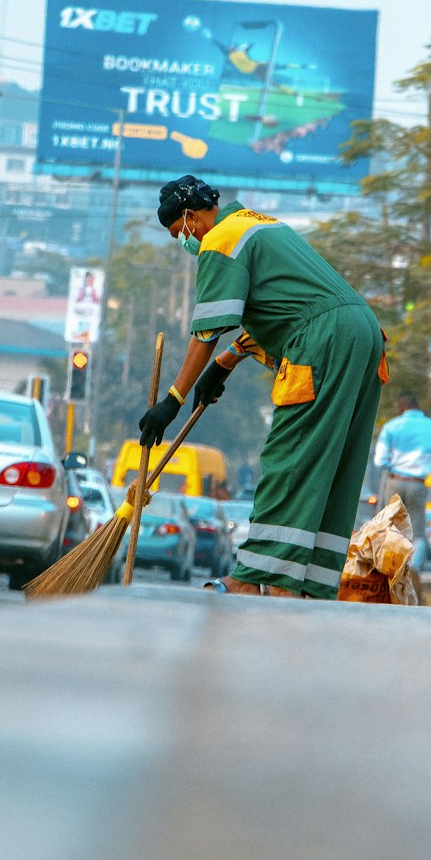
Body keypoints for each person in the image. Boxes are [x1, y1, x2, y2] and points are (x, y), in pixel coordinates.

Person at [138, 174, 388, 600]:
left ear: (190, 217)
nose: (185, 241)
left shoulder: (220, 239)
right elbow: (285, 306)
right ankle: (310, 583)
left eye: (180, 233)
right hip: (363, 334)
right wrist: (225, 365)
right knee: (333, 464)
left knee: (290, 455)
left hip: (323, 341)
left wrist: (173, 400)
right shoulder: (261, 224)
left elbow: (206, 331)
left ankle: (256, 577)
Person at [373, 392, 431, 569]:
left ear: (401, 407)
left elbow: (379, 461)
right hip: (418, 483)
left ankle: (388, 565)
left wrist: (394, 462)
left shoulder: (392, 426)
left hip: (394, 481)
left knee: (391, 524)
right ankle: (413, 569)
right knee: (417, 529)